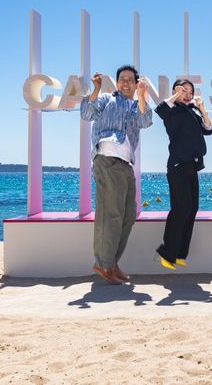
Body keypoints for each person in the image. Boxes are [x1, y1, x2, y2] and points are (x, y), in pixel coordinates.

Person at [80, 65, 153, 284]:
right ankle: (103, 263)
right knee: (110, 214)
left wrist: (142, 95)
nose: (126, 82)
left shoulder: (137, 105)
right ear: (117, 82)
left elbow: (145, 121)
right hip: (107, 157)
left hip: (125, 163)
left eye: (130, 79)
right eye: (122, 79)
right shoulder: (106, 99)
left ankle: (111, 263)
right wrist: (96, 88)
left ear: (136, 83)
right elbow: (86, 113)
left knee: (128, 216)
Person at [154, 79, 212, 269]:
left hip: (192, 166)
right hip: (178, 165)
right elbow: (160, 109)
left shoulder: (192, 111)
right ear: (175, 91)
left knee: (192, 208)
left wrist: (202, 109)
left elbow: (208, 130)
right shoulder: (171, 110)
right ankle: (166, 252)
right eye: (183, 91)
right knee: (181, 208)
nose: (187, 95)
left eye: (190, 92)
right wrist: (176, 95)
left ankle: (179, 253)